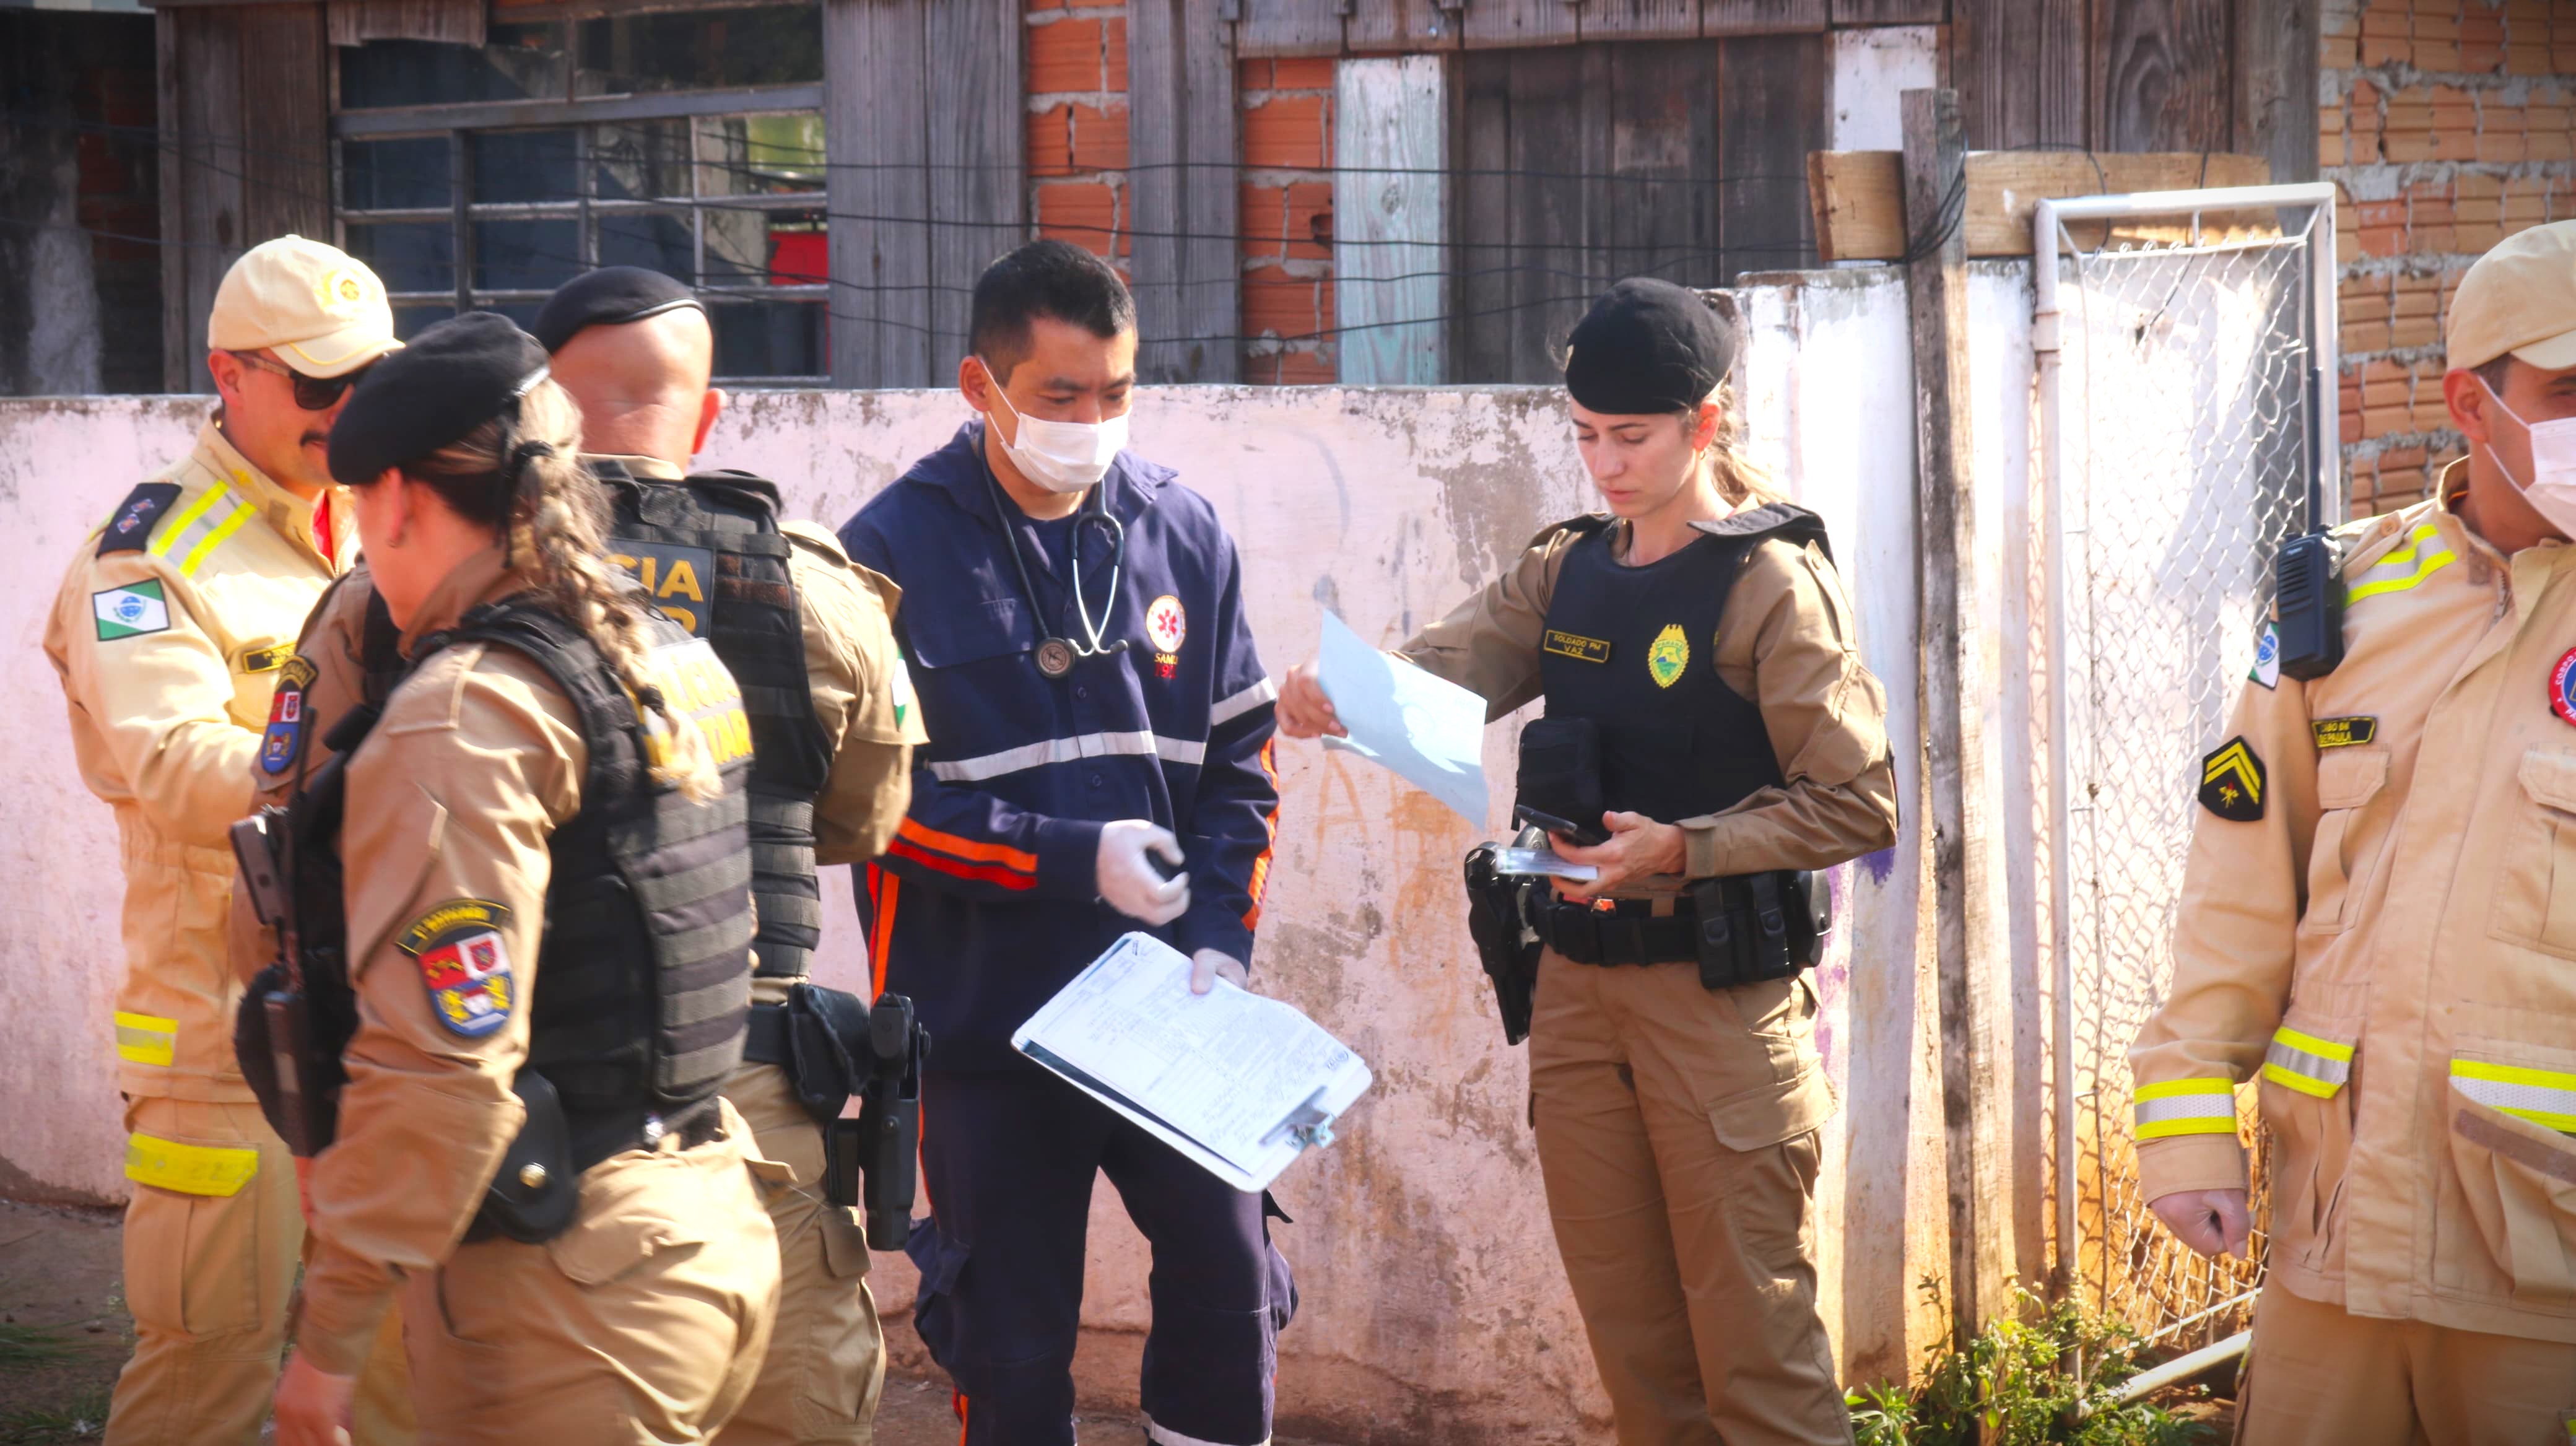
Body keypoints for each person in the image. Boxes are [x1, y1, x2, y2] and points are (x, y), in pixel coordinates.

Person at [1276, 277, 1898, 1446]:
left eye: (1634, 437)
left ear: (1704, 424)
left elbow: (1860, 801)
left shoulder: (1768, 583)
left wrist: (1690, 848)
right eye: (1587, 437)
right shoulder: (1569, 569)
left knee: (1757, 1358)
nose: (1605, 464)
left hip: (1717, 1009)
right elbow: (1443, 675)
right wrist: (1337, 698)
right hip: (1576, 997)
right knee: (1636, 1356)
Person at [262, 312, 779, 1446]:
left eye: (360, 509)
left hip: (567, 1294)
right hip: (710, 1226)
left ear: (394, 498)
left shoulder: (462, 715)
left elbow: (442, 1064)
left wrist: (330, 1341)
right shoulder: (661, 651)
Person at [837, 240, 1289, 1446]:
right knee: (1009, 1337)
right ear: (979, 387)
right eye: (1060, 397)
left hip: (1169, 1011)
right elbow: (876, 804)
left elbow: (1241, 770)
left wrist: (1222, 941)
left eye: (1118, 394)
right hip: (983, 1024)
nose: (1093, 424)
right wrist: (1066, 853)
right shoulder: (885, 554)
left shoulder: (1182, 530)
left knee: (1232, 1289)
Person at [2131, 220, 2576, 1441]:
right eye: (2569, 390)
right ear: (2469, 408)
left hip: (2545, 1278)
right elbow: (2237, 883)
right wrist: (2183, 1129)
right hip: (2332, 1249)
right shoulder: (2344, 603)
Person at [542, 267, 926, 1446]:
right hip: (753, 1093)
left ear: (540, 412)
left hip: (526, 1097)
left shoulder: (441, 572)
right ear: (707, 419)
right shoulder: (808, 584)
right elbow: (865, 825)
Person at [41, 233, 411, 1445]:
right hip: (216, 1033)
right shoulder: (145, 553)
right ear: (230, 373)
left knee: (398, 1371)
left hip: (374, 1013)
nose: (346, 412)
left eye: (367, 380)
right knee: (210, 1373)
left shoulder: (384, 521)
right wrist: (377, 777)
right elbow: (170, 765)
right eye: (317, 385)